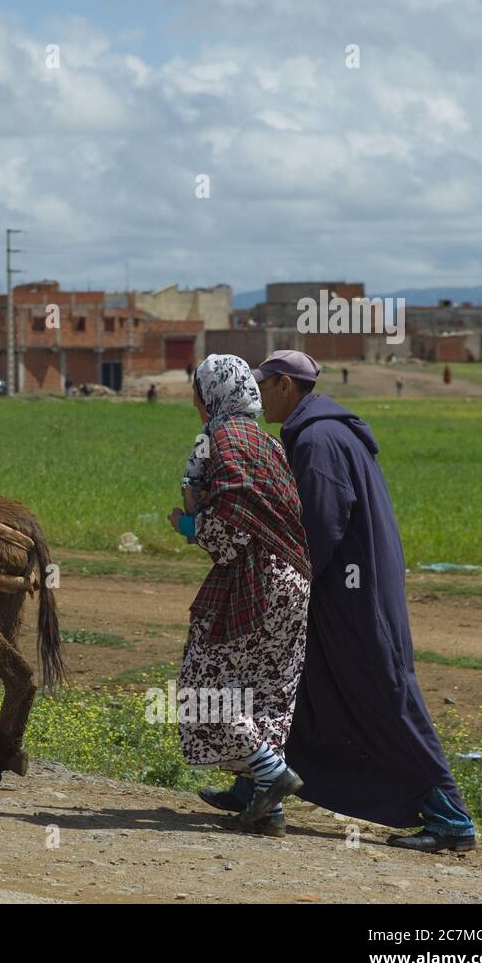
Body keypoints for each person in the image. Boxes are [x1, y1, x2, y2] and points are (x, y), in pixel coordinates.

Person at [202, 350, 476, 852]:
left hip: (352, 597)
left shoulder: (317, 439)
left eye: (264, 387)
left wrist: (284, 577)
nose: (258, 398)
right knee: (299, 691)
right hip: (346, 589)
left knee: (384, 697)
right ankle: (256, 787)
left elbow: (319, 526)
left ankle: (450, 815)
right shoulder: (322, 431)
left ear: (285, 385)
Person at [169, 354, 312, 837]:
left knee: (202, 688)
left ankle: (272, 777)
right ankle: (266, 810)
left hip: (255, 581)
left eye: (195, 392)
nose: (193, 402)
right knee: (268, 694)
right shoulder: (265, 441)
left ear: (211, 392)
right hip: (294, 581)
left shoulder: (220, 439)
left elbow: (229, 526)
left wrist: (191, 527)